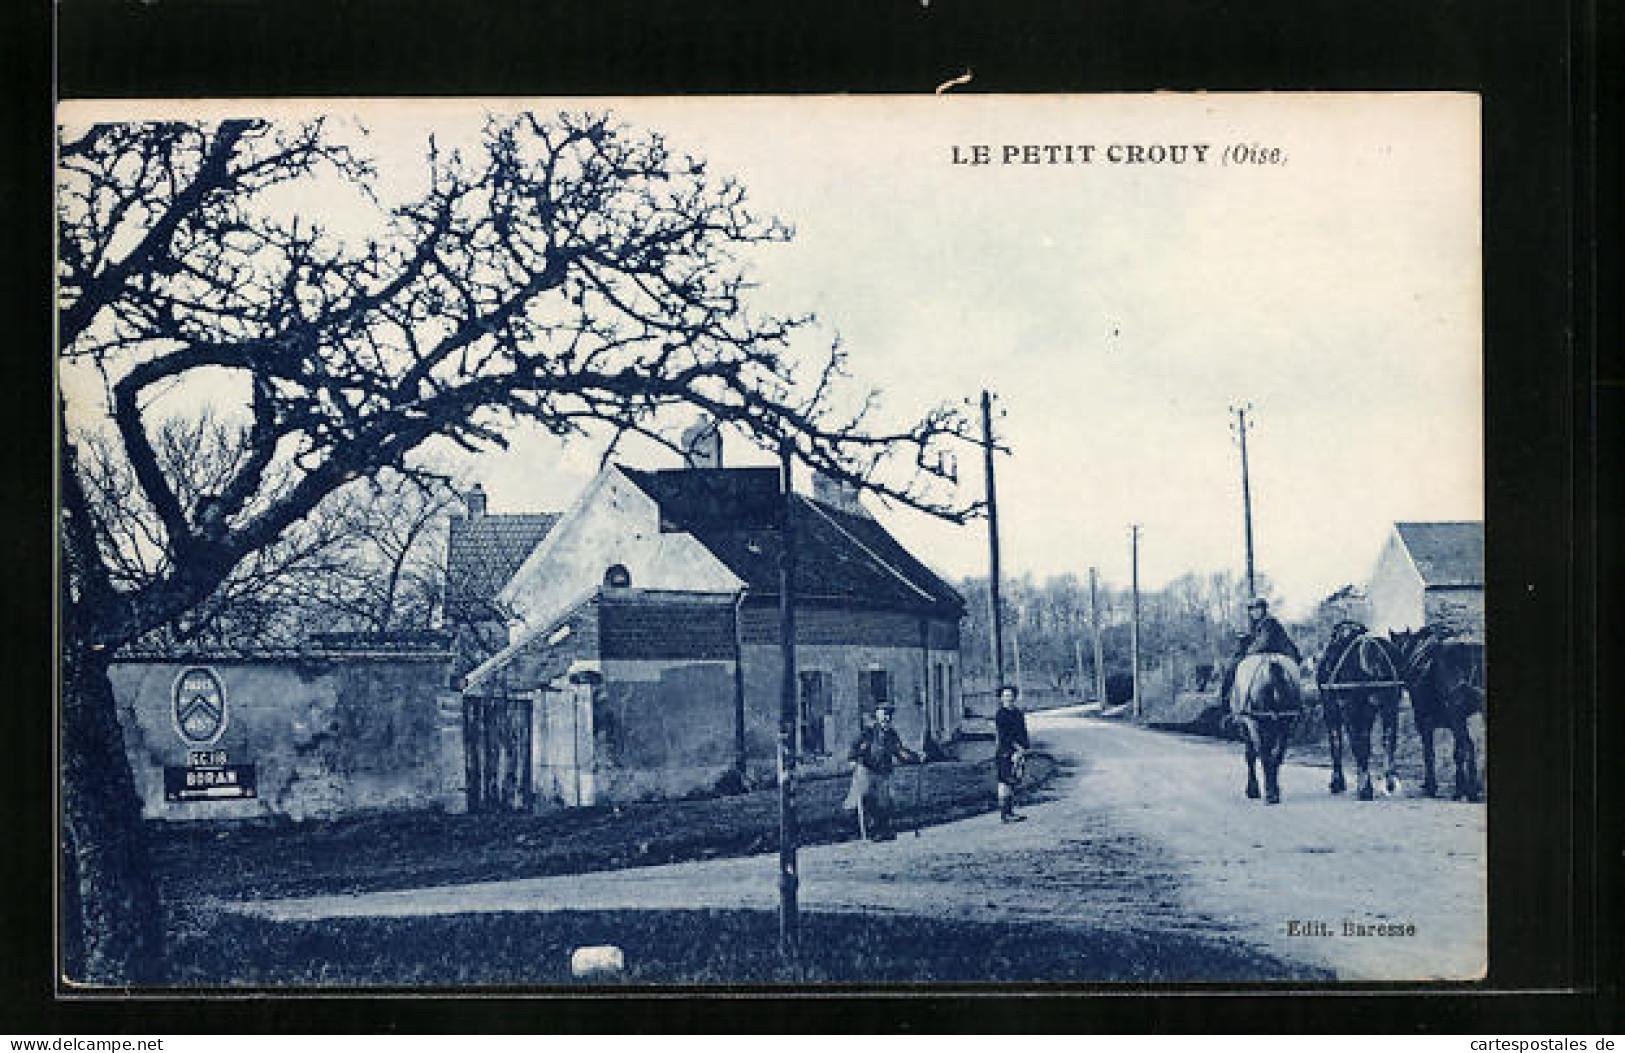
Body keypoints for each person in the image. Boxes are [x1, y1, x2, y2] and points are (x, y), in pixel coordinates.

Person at [844, 702, 920, 841]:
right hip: (866, 770)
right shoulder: (869, 732)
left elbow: (900, 751)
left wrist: (915, 758)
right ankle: (859, 831)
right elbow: (855, 747)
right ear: (877, 716)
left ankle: (883, 830)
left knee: (885, 801)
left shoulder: (891, 734)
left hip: (883, 772)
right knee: (860, 800)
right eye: (884, 715)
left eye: (889, 715)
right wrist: (853, 759)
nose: (887, 718)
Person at [1219, 597, 1304, 701]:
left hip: (1281, 652)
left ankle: (1224, 696)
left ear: (1263, 610)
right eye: (1252, 610)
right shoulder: (1257, 623)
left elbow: (1263, 642)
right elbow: (1255, 639)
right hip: (1269, 651)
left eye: (1257, 609)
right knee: (1233, 664)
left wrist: (1247, 652)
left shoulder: (1269, 622)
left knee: (1234, 665)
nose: (1254, 612)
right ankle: (1226, 694)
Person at [993, 685, 1030, 823]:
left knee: (1013, 780)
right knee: (1004, 781)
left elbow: (1023, 732)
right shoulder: (1000, 715)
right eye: (1005, 696)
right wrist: (1016, 749)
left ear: (1015, 697)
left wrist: (1024, 748)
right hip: (1005, 751)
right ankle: (1005, 813)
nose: (1008, 699)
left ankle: (1010, 811)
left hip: (1018, 750)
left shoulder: (1018, 714)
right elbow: (1004, 736)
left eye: (1011, 696)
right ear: (1001, 698)